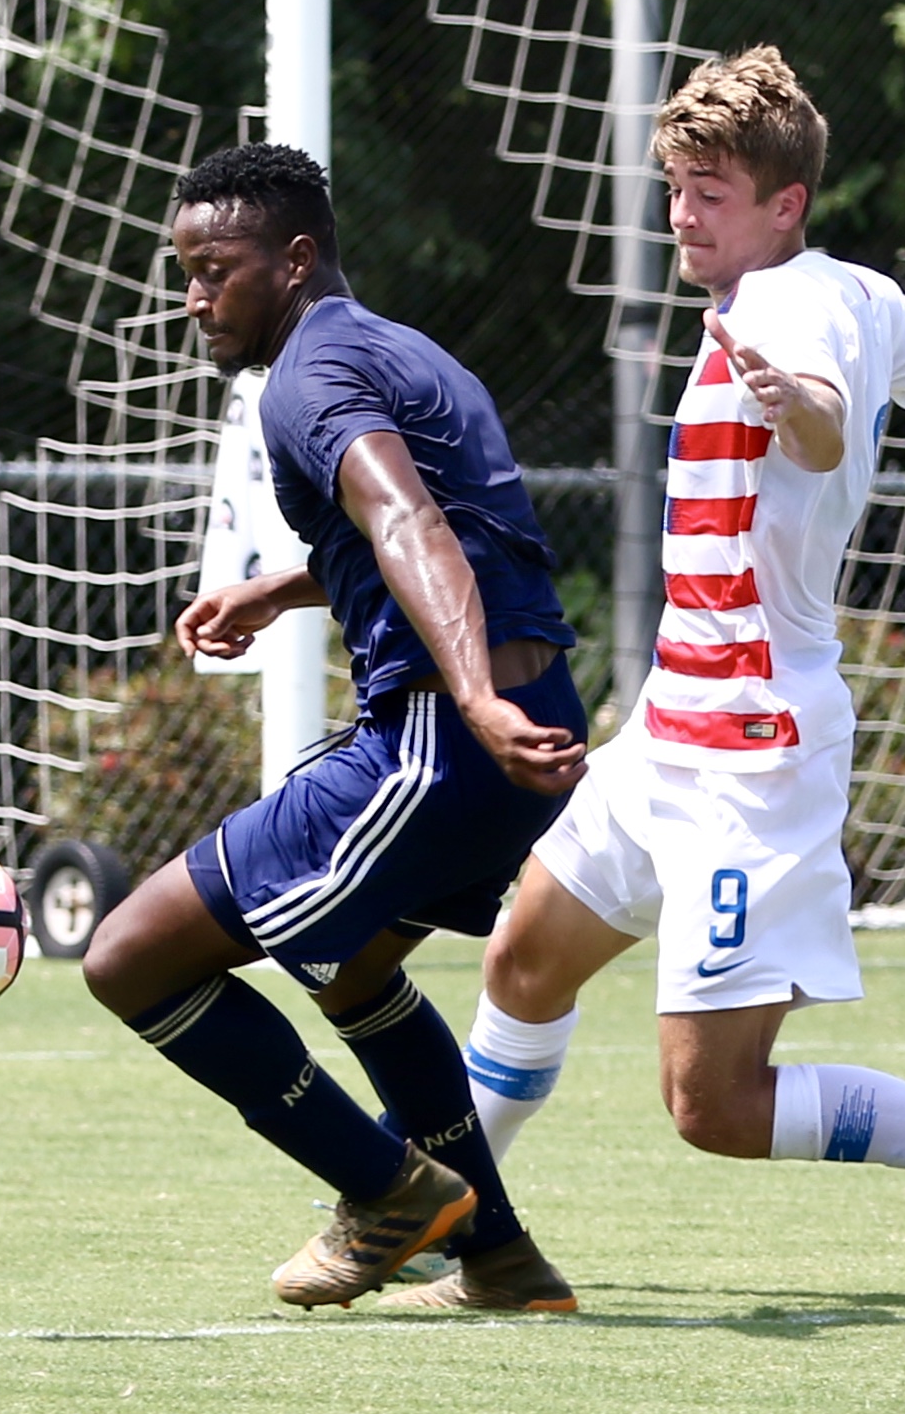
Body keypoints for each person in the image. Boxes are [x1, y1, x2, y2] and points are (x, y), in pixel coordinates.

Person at [451, 47, 905, 1313]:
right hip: (672, 729)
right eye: (675, 188)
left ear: (786, 205)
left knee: (710, 1106)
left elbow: (817, 413)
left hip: (750, 750)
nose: (683, 215)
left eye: (710, 191)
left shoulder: (795, 305)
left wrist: (810, 411)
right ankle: (456, 1235)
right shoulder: (864, 295)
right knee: (523, 966)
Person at [78, 140, 594, 1315]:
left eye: (217, 270)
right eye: (186, 273)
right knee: (356, 965)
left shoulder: (306, 379)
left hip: (443, 736)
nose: (196, 297)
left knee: (128, 958)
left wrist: (466, 698)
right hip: (519, 726)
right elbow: (435, 527)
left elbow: (410, 521)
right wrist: (287, 587)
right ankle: (503, 1259)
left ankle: (389, 1193)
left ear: (296, 259)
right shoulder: (399, 350)